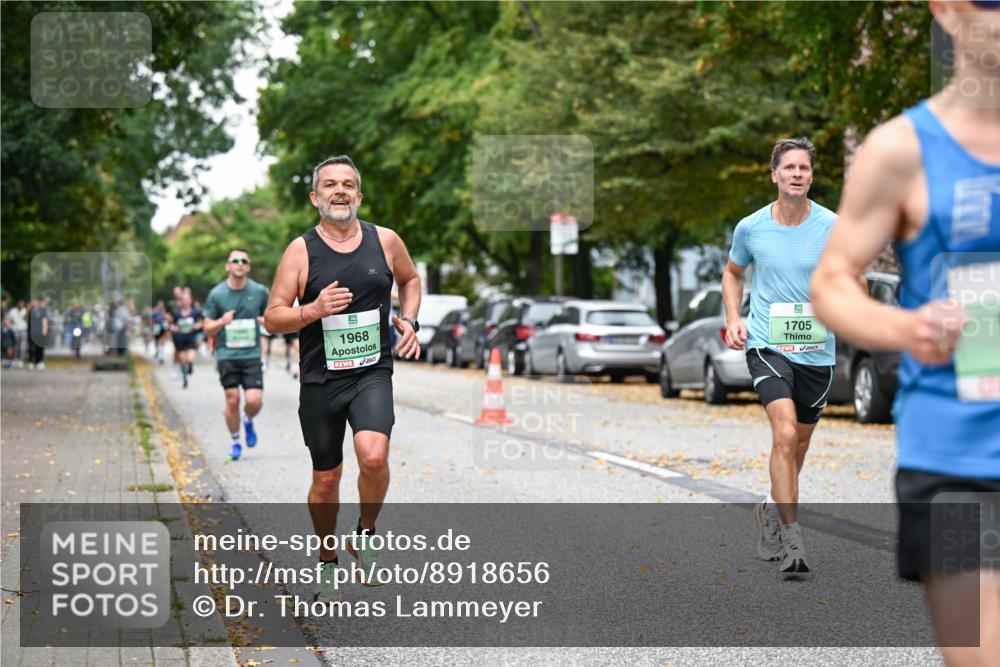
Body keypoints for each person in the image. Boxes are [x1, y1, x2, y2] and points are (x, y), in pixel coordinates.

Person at [811, 2, 998, 662]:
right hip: (956, 469)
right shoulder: (902, 150)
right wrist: (906, 324)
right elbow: (832, 280)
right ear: (947, 10)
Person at [264, 155, 421, 602]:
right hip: (320, 380)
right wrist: (312, 310)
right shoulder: (301, 251)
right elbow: (273, 317)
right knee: (326, 478)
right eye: (330, 185)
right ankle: (327, 555)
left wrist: (410, 321)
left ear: (359, 195)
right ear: (315, 198)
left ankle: (366, 534)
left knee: (373, 456)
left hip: (372, 371)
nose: (339, 191)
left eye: (347, 185)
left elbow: (410, 280)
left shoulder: (385, 241)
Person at [722, 137, 838, 574]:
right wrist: (735, 317)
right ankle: (792, 539)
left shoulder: (832, 226)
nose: (796, 174)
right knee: (785, 433)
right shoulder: (750, 228)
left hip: (818, 350)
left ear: (811, 176)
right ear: (774, 174)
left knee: (799, 444)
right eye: (788, 167)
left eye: (803, 168)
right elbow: (733, 273)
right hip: (768, 344)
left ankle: (771, 506)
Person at [202, 249, 269, 461]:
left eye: (244, 261)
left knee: (254, 400)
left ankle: (248, 420)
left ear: (248, 266)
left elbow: (271, 318)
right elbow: (207, 328)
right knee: (232, 401)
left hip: (251, 354)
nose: (239, 264)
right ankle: (234, 440)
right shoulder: (217, 294)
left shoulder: (259, 292)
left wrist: (266, 323)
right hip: (226, 354)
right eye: (235, 260)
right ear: (227, 266)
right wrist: (222, 322)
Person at [168, 289, 202, 388]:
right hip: (180, 340)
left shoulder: (195, 312)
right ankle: (184, 379)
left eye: (187, 300)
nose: (185, 302)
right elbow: (171, 325)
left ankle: (190, 366)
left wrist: (196, 326)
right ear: (180, 301)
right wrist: (175, 328)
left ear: (190, 301)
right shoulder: (177, 314)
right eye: (183, 300)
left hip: (191, 339)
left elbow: (201, 323)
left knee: (190, 358)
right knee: (182, 361)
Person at [26, 296, 50, 369]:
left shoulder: (42, 310)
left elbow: (45, 320)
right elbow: (25, 318)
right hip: (31, 331)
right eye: (32, 302)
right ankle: (30, 361)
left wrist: (45, 331)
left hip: (40, 331)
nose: (34, 303)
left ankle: (39, 362)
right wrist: (28, 309)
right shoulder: (30, 310)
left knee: (40, 347)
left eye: (35, 301)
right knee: (31, 347)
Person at [7, 299, 27, 368]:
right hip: (15, 330)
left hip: (23, 330)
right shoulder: (13, 311)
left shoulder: (25, 310)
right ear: (17, 304)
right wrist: (10, 327)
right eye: (20, 304)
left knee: (22, 346)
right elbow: (8, 319)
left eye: (22, 304)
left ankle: (21, 360)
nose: (21, 305)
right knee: (15, 346)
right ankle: (15, 359)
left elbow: (27, 319)